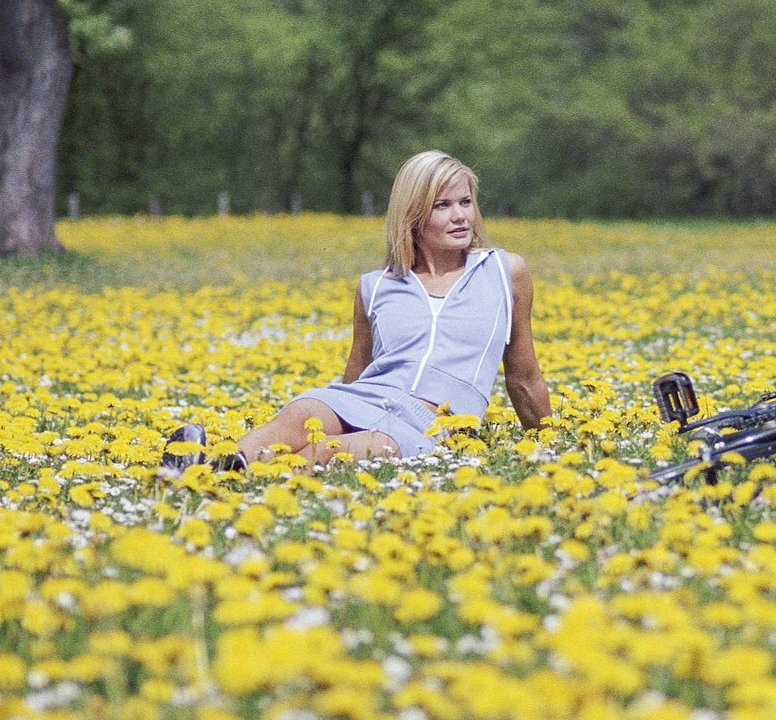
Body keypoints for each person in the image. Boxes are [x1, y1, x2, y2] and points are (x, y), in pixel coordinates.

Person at [158, 150, 550, 478]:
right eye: (442, 206)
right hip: (364, 398)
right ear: (413, 215)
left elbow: (523, 374)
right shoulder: (376, 286)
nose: (460, 216)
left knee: (327, 453)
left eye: (465, 203)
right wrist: (333, 409)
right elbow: (355, 377)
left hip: (430, 424)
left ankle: (217, 478)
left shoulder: (504, 272)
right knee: (297, 419)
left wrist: (549, 446)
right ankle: (200, 470)